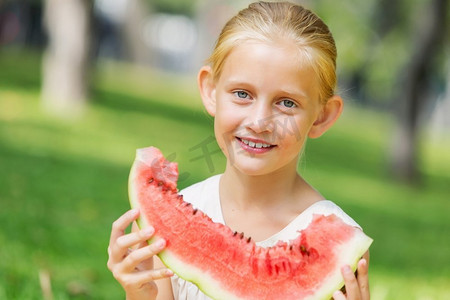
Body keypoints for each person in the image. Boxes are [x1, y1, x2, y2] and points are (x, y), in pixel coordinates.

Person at [107, 1, 370, 299]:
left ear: (322, 116)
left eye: (287, 103)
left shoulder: (342, 240)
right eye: (242, 94)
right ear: (210, 91)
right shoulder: (171, 223)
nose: (259, 122)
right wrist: (139, 290)